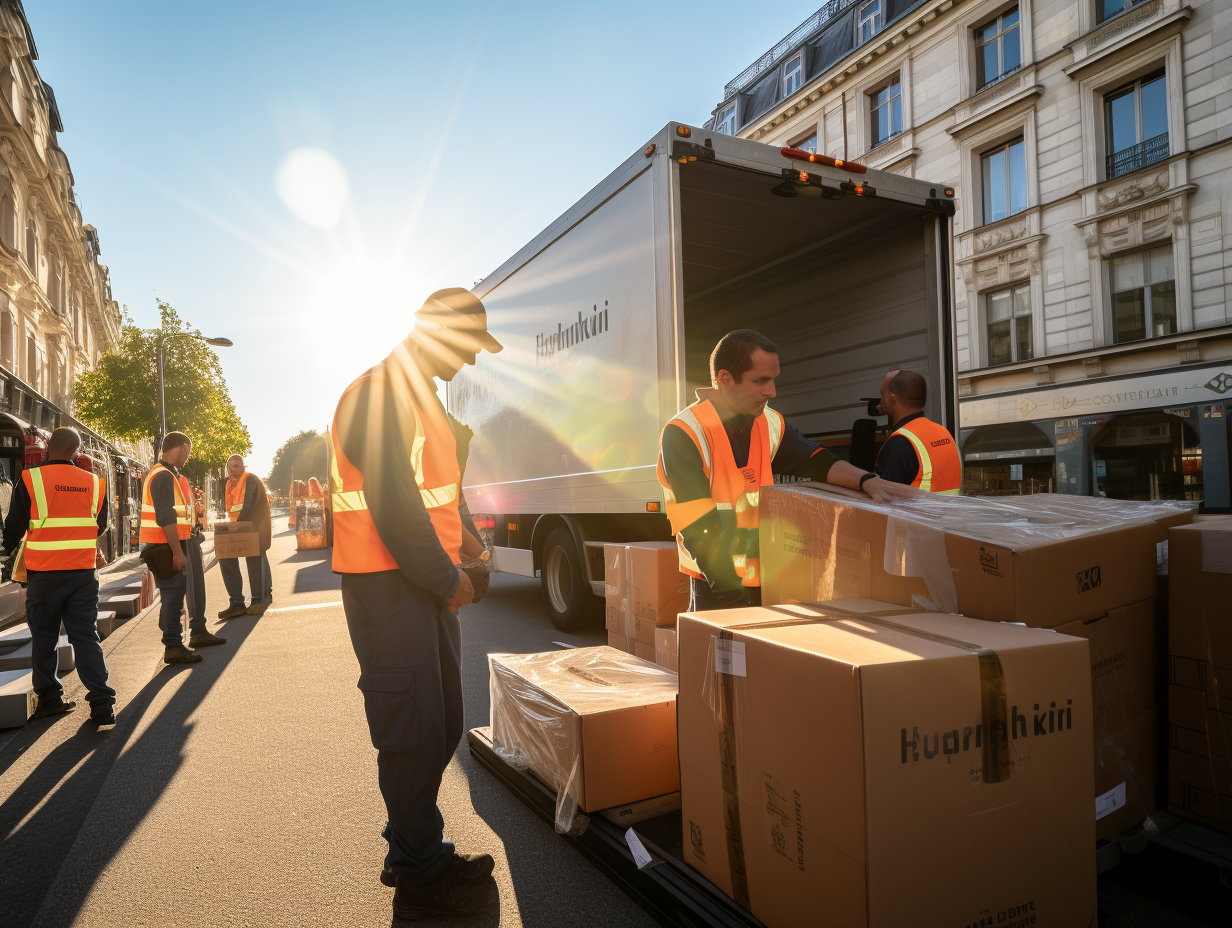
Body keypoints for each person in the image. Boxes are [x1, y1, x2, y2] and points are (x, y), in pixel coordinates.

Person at [331, 287, 499, 920]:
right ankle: (419, 869)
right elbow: (396, 506)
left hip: (419, 585)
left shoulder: (422, 399)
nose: (473, 361)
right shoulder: (378, 393)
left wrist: (474, 552)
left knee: (442, 722)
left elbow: (441, 497)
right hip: (388, 585)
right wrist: (447, 578)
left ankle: (415, 842)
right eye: (470, 346)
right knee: (412, 731)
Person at [657, 329, 917, 611]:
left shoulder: (768, 422)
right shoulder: (684, 433)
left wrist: (868, 481)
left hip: (764, 582)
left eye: (773, 380)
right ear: (725, 379)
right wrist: (731, 599)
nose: (772, 391)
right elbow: (700, 529)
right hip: (716, 588)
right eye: (761, 381)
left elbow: (815, 460)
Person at [0, 427, 117, 723]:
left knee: (44, 638)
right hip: (82, 573)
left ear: (49, 446)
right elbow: (99, 526)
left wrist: (6, 558)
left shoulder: (29, 478)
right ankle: (102, 703)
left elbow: (13, 526)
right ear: (77, 452)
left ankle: (50, 700)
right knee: (85, 636)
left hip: (44, 575)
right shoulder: (94, 483)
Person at [140, 432, 226, 663]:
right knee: (173, 598)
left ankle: (177, 642)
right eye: (188, 451)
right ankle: (173, 646)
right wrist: (178, 552)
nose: (188, 457)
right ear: (184, 447)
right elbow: (165, 517)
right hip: (166, 548)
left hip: (165, 545)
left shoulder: (164, 474)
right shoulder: (164, 476)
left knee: (173, 596)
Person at [873, 368, 961, 494]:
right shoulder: (944, 432)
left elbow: (887, 502)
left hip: (917, 514)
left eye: (882, 394)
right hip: (949, 513)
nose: (880, 401)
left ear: (893, 399)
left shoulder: (899, 443)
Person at [217, 454, 273, 619]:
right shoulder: (229, 484)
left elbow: (247, 505)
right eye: (231, 466)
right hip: (243, 527)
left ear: (243, 467)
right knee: (226, 557)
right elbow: (233, 508)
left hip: (254, 527)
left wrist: (236, 527)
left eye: (237, 465)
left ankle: (259, 599)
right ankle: (237, 602)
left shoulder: (250, 479)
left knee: (255, 558)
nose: (234, 468)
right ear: (227, 469)